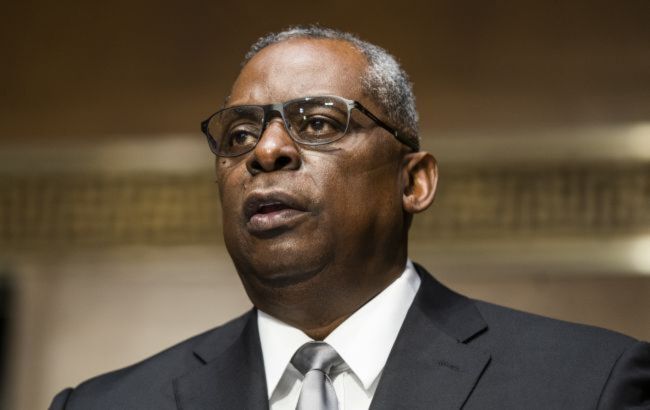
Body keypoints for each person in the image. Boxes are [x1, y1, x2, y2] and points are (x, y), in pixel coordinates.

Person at [50, 25, 649, 410]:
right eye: (239, 134)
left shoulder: (589, 384)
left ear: (413, 182)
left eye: (318, 123)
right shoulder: (105, 404)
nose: (266, 151)